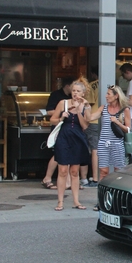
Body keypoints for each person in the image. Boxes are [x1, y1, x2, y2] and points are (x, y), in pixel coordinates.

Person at [88, 85, 131, 210]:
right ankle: (101, 200)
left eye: (108, 94)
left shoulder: (124, 110)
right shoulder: (104, 108)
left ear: (116, 95)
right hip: (103, 143)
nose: (106, 96)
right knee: (103, 172)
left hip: (117, 143)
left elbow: (128, 129)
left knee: (119, 172)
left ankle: (118, 200)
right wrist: (85, 106)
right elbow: (90, 118)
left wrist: (117, 122)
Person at [50, 78, 91, 211]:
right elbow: (52, 120)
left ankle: (76, 201)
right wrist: (62, 117)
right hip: (64, 138)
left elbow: (85, 125)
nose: (75, 93)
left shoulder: (86, 106)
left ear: (83, 93)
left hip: (78, 139)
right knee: (62, 171)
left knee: (74, 171)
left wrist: (79, 110)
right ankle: (60, 202)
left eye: (78, 91)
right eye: (73, 90)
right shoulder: (63, 103)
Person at [41, 77, 73, 190]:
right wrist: (62, 112)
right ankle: (47, 178)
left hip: (69, 128)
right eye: (74, 89)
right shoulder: (56, 95)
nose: (75, 91)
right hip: (58, 127)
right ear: (68, 86)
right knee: (58, 154)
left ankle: (68, 182)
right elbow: (49, 111)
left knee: (67, 154)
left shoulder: (72, 98)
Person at [82, 71, 99, 187]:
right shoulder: (112, 84)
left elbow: (89, 104)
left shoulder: (92, 85)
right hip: (105, 120)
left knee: (94, 149)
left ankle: (95, 178)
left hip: (92, 120)